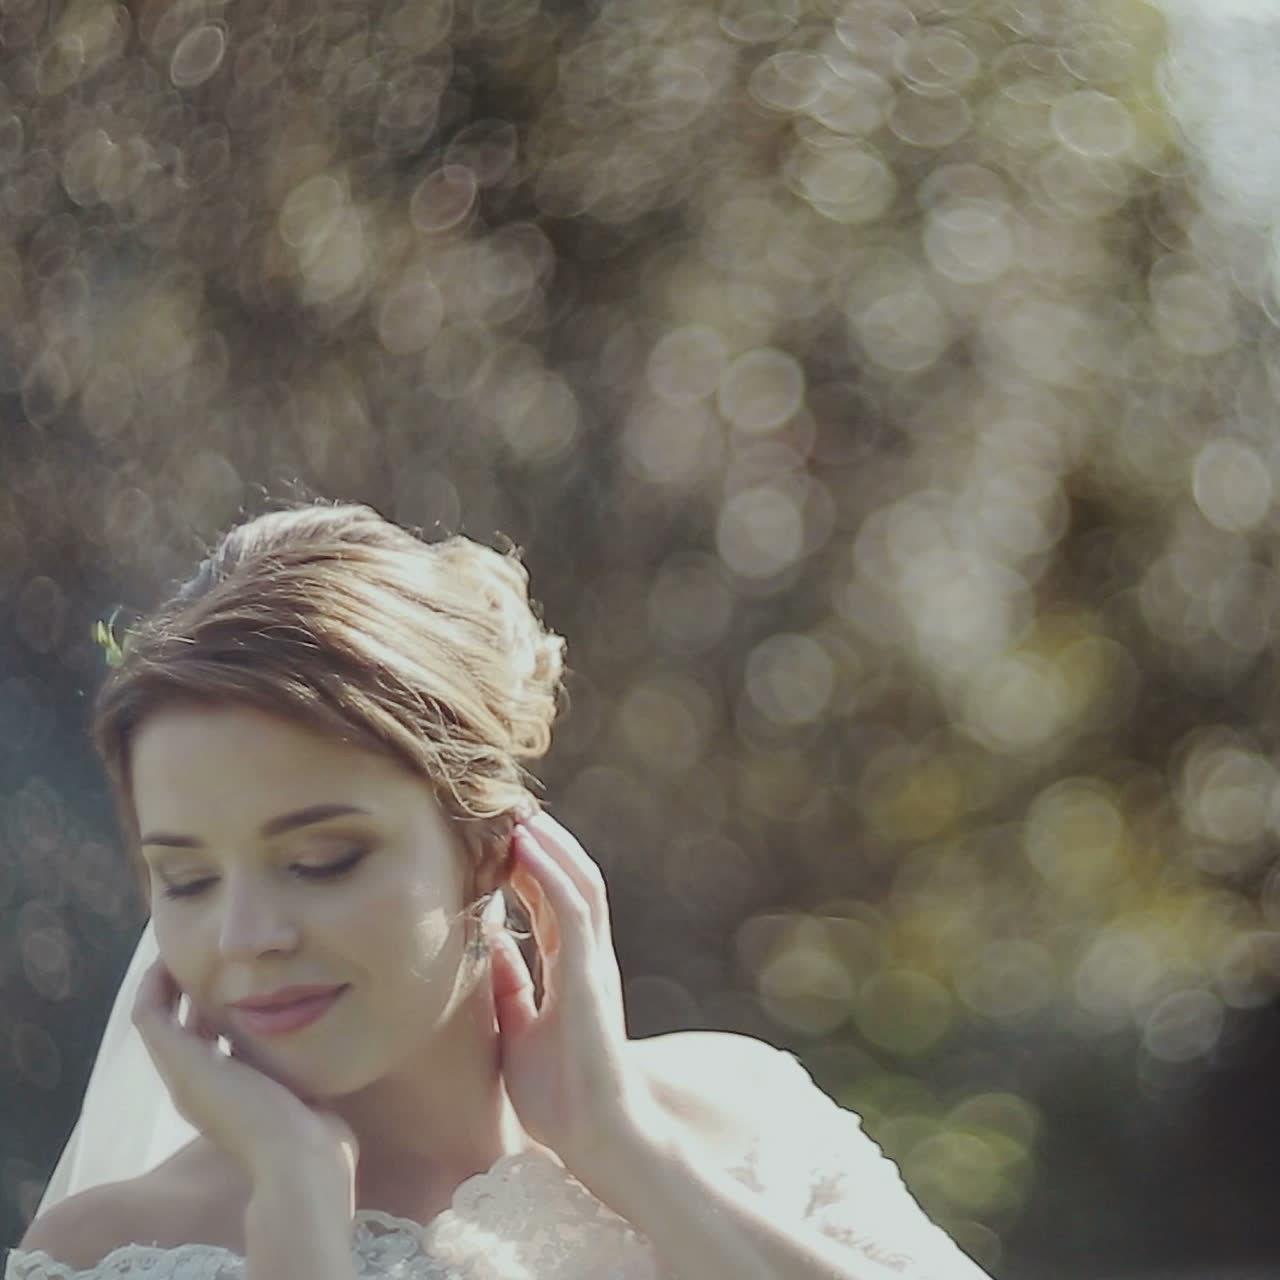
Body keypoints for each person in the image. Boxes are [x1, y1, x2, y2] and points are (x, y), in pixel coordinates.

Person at [8, 501, 992, 1280]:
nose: (246, 934)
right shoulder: (106, 1253)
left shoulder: (746, 1117)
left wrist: (627, 1151)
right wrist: (296, 1210)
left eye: (322, 858)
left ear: (486, 844)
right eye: (185, 876)